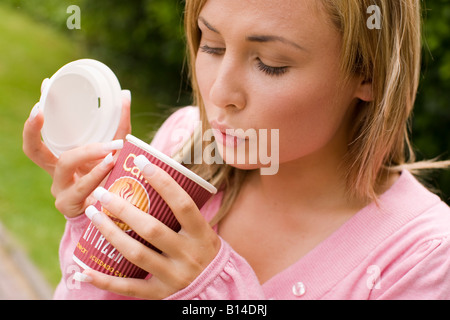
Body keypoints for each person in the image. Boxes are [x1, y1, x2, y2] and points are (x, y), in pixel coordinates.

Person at [23, 0, 450, 300]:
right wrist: (96, 228)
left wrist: (214, 291)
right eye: (211, 45)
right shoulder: (183, 147)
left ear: (369, 73)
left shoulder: (423, 256)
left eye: (271, 63)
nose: (220, 92)